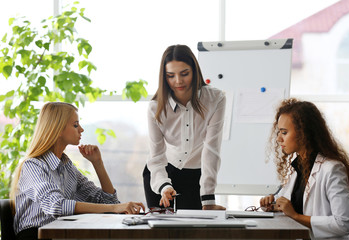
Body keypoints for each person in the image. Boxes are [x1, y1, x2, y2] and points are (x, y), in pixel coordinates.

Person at [10, 102, 145, 240]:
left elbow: (109, 202)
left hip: (63, 234)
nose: (81, 129)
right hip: (36, 235)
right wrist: (114, 208)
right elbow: (57, 206)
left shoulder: (67, 167)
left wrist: (97, 163)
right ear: (57, 129)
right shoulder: (33, 166)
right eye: (75, 125)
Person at [260, 98, 349, 239]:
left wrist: (296, 216)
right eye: (279, 132)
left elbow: (343, 223)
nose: (278, 139)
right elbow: (286, 203)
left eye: (284, 132)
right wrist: (272, 204)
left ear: (304, 133)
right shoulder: (297, 168)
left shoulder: (332, 169)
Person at [143, 44, 226, 210]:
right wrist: (164, 186)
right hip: (162, 174)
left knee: (194, 233)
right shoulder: (155, 107)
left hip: (196, 176)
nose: (178, 81)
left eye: (184, 74)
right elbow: (156, 157)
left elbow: (211, 149)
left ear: (194, 71)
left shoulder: (215, 99)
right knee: (160, 233)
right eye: (170, 75)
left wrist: (208, 199)